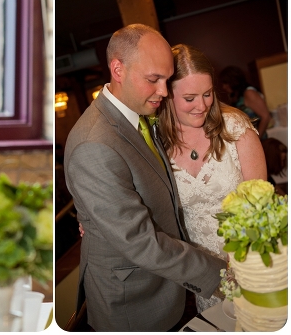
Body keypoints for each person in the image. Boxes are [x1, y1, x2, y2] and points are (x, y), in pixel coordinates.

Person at [63, 24, 226, 331]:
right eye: (154, 80)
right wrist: (219, 274)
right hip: (132, 303)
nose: (164, 92)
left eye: (166, 79)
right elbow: (139, 240)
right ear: (117, 69)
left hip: (164, 285)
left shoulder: (137, 115)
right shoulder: (93, 143)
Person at [157, 44, 267, 313]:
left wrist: (240, 260)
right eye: (190, 98)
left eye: (207, 94)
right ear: (167, 95)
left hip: (251, 256)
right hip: (204, 272)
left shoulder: (235, 127)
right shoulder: (156, 142)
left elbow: (259, 203)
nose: (202, 105)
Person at [218, 66, 272, 139]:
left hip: (259, 139)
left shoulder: (249, 93)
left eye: (225, 83)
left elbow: (266, 117)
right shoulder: (235, 95)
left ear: (233, 81)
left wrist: (257, 138)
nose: (224, 87)